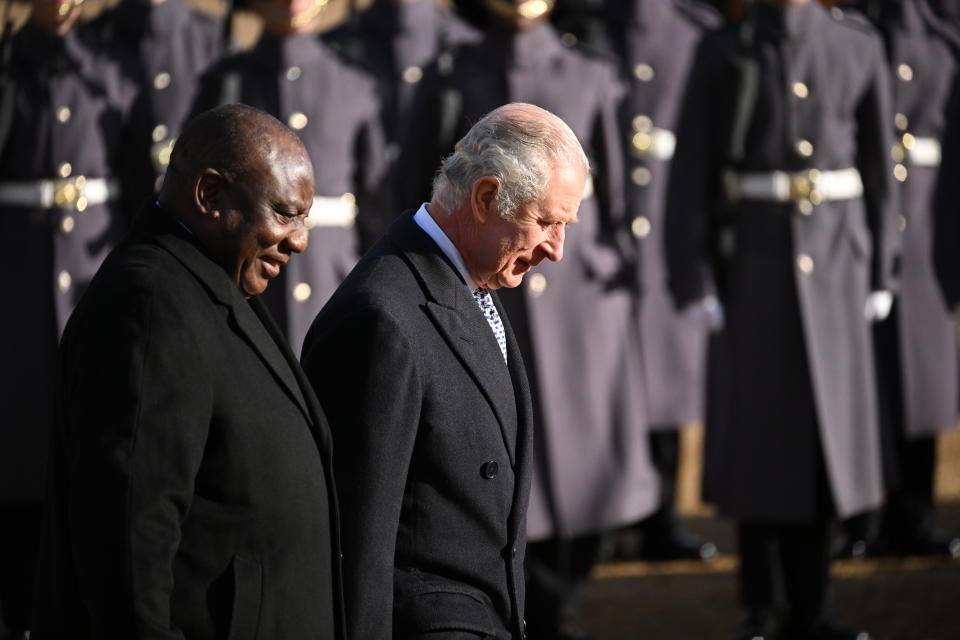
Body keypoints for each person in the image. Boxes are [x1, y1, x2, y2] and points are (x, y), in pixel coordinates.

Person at [31, 104, 343, 639]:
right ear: (211, 196)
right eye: (284, 213)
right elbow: (129, 544)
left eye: (303, 218)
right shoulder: (152, 305)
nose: (299, 240)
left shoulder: (214, 281)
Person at [398, 3, 659, 636]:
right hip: (492, 286)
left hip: (578, 305)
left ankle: (562, 600)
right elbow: (421, 181)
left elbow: (624, 193)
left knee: (584, 459)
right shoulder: (454, 71)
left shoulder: (591, 70)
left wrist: (613, 265)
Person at [301, 103, 587, 640]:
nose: (556, 248)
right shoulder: (381, 318)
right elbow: (355, 540)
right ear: (484, 198)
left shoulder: (471, 278)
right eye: (547, 221)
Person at [665, 1, 898, 639]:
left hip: (838, 265)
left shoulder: (858, 43)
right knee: (760, 443)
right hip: (754, 267)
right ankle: (761, 609)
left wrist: (884, 268)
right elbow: (692, 171)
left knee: (823, 446)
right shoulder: (725, 48)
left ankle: (815, 608)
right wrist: (696, 274)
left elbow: (881, 166)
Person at [0, 1, 134, 636]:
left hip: (92, 275)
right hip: (17, 295)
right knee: (22, 461)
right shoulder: (10, 64)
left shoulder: (111, 65)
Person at [834, 0, 960, 561]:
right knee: (857, 383)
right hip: (858, 223)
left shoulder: (945, 36)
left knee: (922, 382)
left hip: (931, 225)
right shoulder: (853, 33)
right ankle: (857, 517)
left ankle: (913, 513)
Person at [192, 0, 389, 353]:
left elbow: (377, 207)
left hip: (335, 280)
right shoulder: (226, 82)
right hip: (249, 283)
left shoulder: (354, 82)